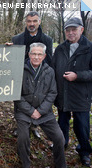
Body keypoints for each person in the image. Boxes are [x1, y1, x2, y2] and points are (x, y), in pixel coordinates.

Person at [14, 42, 66, 168]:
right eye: (33, 54)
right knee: (23, 137)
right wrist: (31, 111)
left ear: (44, 56)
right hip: (24, 112)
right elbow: (16, 94)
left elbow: (52, 92)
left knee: (60, 138)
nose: (36, 57)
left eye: (39, 54)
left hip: (45, 112)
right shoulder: (20, 69)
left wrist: (41, 111)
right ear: (29, 54)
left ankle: (60, 165)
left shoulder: (50, 71)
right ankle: (26, 163)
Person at [51, 17, 92, 167]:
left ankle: (85, 152)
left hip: (81, 96)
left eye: (74, 29)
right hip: (63, 94)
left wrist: (78, 76)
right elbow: (53, 68)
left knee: (82, 126)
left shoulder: (89, 48)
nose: (71, 32)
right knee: (62, 123)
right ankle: (62, 144)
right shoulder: (60, 48)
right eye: (68, 30)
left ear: (81, 29)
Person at [12, 11, 53, 138]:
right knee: (20, 102)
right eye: (29, 21)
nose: (32, 24)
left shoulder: (47, 40)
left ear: (39, 22)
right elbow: (12, 59)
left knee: (37, 102)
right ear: (26, 22)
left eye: (34, 21)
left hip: (39, 77)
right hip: (21, 76)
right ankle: (20, 126)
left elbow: (49, 60)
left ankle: (34, 126)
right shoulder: (17, 39)